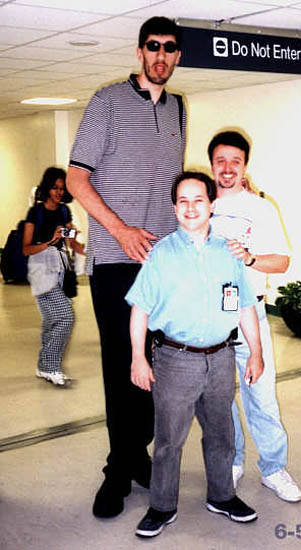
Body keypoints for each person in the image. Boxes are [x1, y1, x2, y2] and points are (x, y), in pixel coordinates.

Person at [66, 16, 186, 519]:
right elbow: (75, 180)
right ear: (139, 52)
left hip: (164, 264)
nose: (161, 55)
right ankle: (117, 473)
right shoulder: (106, 102)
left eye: (170, 48)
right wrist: (122, 232)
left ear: (177, 56)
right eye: (152, 47)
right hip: (117, 261)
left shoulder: (179, 107)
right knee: (123, 368)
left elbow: (173, 184)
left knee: (157, 367)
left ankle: (137, 454)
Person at [126, 172, 264, 538]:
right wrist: (138, 358)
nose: (191, 207)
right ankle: (162, 505)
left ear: (211, 205)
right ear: (174, 208)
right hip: (176, 360)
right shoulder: (160, 255)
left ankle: (222, 496)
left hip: (221, 358)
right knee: (169, 439)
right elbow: (139, 308)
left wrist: (256, 353)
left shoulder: (228, 252)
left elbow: (245, 305)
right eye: (183, 201)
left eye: (198, 200)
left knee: (222, 433)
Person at [208, 131, 301, 502]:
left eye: (235, 161)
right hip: (209, 318)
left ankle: (274, 469)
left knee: (261, 397)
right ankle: (232, 462)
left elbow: (281, 261)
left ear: (245, 165)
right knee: (219, 401)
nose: (228, 169)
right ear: (212, 163)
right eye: (221, 161)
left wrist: (248, 258)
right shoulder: (201, 204)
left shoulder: (261, 208)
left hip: (251, 316)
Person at [23, 167, 84, 386]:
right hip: (41, 268)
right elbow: (26, 248)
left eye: (61, 188)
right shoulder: (36, 213)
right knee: (66, 317)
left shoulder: (65, 211)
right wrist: (50, 240)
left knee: (51, 320)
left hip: (60, 267)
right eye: (54, 188)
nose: (58, 192)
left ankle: (45, 366)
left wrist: (79, 243)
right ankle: (49, 366)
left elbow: (72, 241)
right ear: (47, 188)